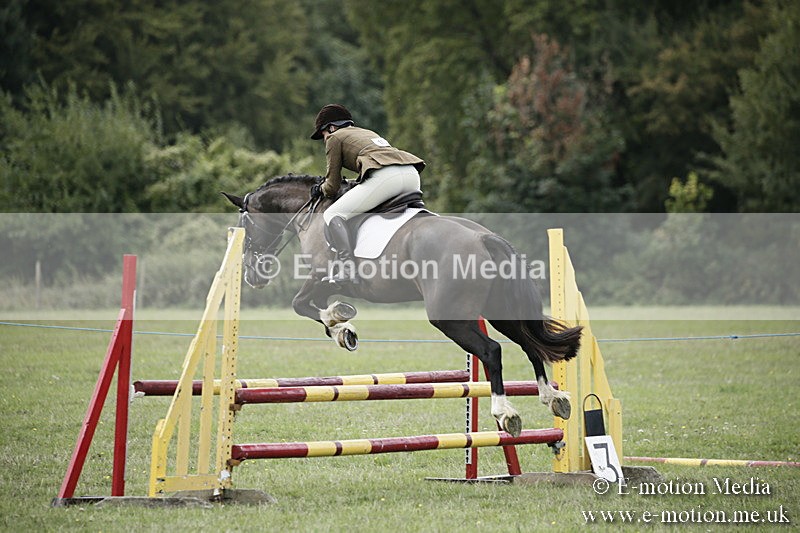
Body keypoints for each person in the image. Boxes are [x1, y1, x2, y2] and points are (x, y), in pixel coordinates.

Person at [310, 104, 425, 284]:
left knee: (332, 214)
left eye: (323, 134)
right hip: (412, 175)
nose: (324, 139)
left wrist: (320, 189)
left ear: (331, 128)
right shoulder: (368, 133)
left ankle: (347, 269)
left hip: (387, 178)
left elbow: (331, 186)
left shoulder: (335, 137)